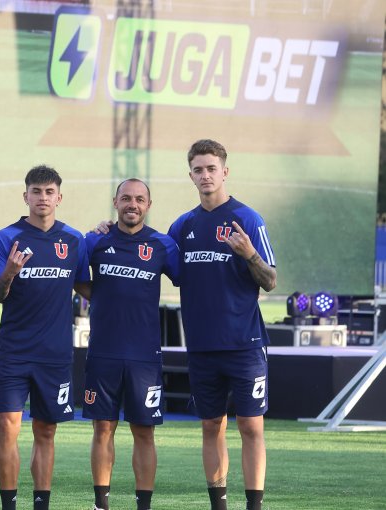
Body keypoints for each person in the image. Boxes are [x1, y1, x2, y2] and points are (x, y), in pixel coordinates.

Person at [167, 139, 277, 510]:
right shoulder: (183, 227)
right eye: (198, 169)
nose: (205, 175)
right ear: (191, 175)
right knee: (211, 426)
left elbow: (270, 279)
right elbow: (150, 256)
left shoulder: (247, 219)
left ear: (224, 172)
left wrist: (249, 255)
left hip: (244, 344)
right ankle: (219, 504)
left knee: (251, 427)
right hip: (201, 347)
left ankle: (254, 505)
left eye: (211, 168)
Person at [0, 165, 89, 510]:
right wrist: (11, 272)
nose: (42, 198)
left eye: (49, 192)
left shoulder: (74, 241)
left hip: (56, 355)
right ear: (25, 196)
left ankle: (41, 504)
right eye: (36, 191)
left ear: (59, 197)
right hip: (15, 353)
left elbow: (89, 287)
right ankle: (9, 505)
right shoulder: (5, 238)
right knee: (8, 427)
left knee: (46, 432)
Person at [82, 178, 179, 510]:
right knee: (103, 429)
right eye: (126, 198)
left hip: (144, 355)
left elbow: (189, 279)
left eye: (139, 199)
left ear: (148, 205)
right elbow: (78, 279)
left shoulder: (162, 245)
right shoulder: (96, 241)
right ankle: (101, 504)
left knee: (144, 432)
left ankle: (143, 506)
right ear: (115, 202)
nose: (132, 205)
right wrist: (103, 299)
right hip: (103, 351)